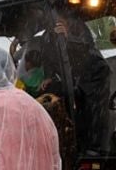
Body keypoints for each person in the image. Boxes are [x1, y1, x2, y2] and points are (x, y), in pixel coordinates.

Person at [39, 12, 111, 155]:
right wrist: (50, 77)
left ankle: (93, 148)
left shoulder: (78, 28)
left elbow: (87, 49)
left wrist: (69, 39)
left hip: (92, 76)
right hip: (72, 80)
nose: (56, 22)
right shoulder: (47, 37)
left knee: (92, 113)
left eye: (60, 18)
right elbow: (50, 60)